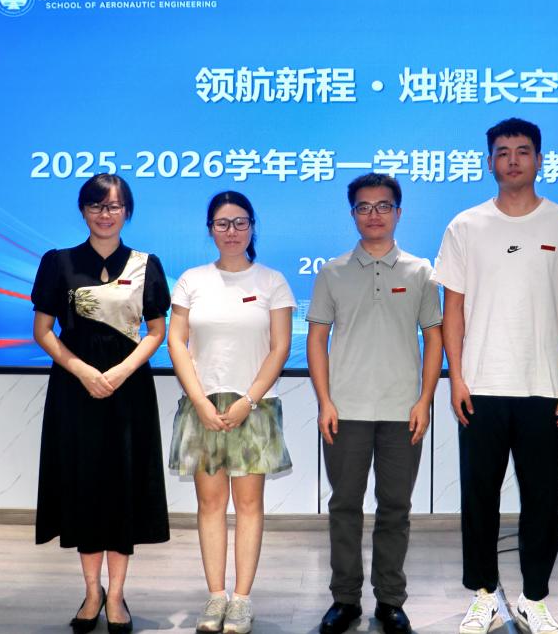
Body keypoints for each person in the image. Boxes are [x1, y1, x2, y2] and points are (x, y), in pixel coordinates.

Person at [431, 118, 558, 634]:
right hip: (480, 386)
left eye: (522, 151)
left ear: (539, 160)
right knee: (478, 496)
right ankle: (484, 595)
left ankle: (533, 597)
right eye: (502, 152)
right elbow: (452, 309)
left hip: (545, 387)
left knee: (542, 499)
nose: (512, 160)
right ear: (489, 162)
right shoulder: (466, 226)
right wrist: (456, 378)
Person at [32, 174, 171, 634]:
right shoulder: (59, 262)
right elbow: (43, 331)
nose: (104, 214)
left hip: (128, 390)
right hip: (76, 390)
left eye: (113, 206)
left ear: (127, 211)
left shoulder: (146, 264)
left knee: (122, 487)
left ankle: (116, 596)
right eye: (96, 205)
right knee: (84, 487)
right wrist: (84, 372)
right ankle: (91, 592)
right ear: (83, 210)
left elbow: (156, 331)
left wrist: (118, 372)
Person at [307, 174, 443, 634]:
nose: (374, 215)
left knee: (395, 509)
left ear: (398, 213)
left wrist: (425, 400)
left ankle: (390, 601)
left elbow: (434, 337)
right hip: (344, 411)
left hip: (403, 411)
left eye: (383, 206)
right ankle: (345, 600)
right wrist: (325, 401)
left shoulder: (421, 272)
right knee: (344, 507)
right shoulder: (332, 272)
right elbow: (317, 338)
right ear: (353, 215)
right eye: (363, 207)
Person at [167, 191, 294, 634]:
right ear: (210, 230)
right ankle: (215, 596)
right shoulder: (192, 280)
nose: (232, 231)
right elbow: (176, 341)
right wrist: (200, 400)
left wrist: (249, 401)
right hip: (202, 407)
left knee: (249, 505)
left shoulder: (272, 281)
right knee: (209, 504)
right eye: (222, 224)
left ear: (252, 226)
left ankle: (241, 600)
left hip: (253, 407)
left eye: (240, 222)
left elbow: (280, 347)